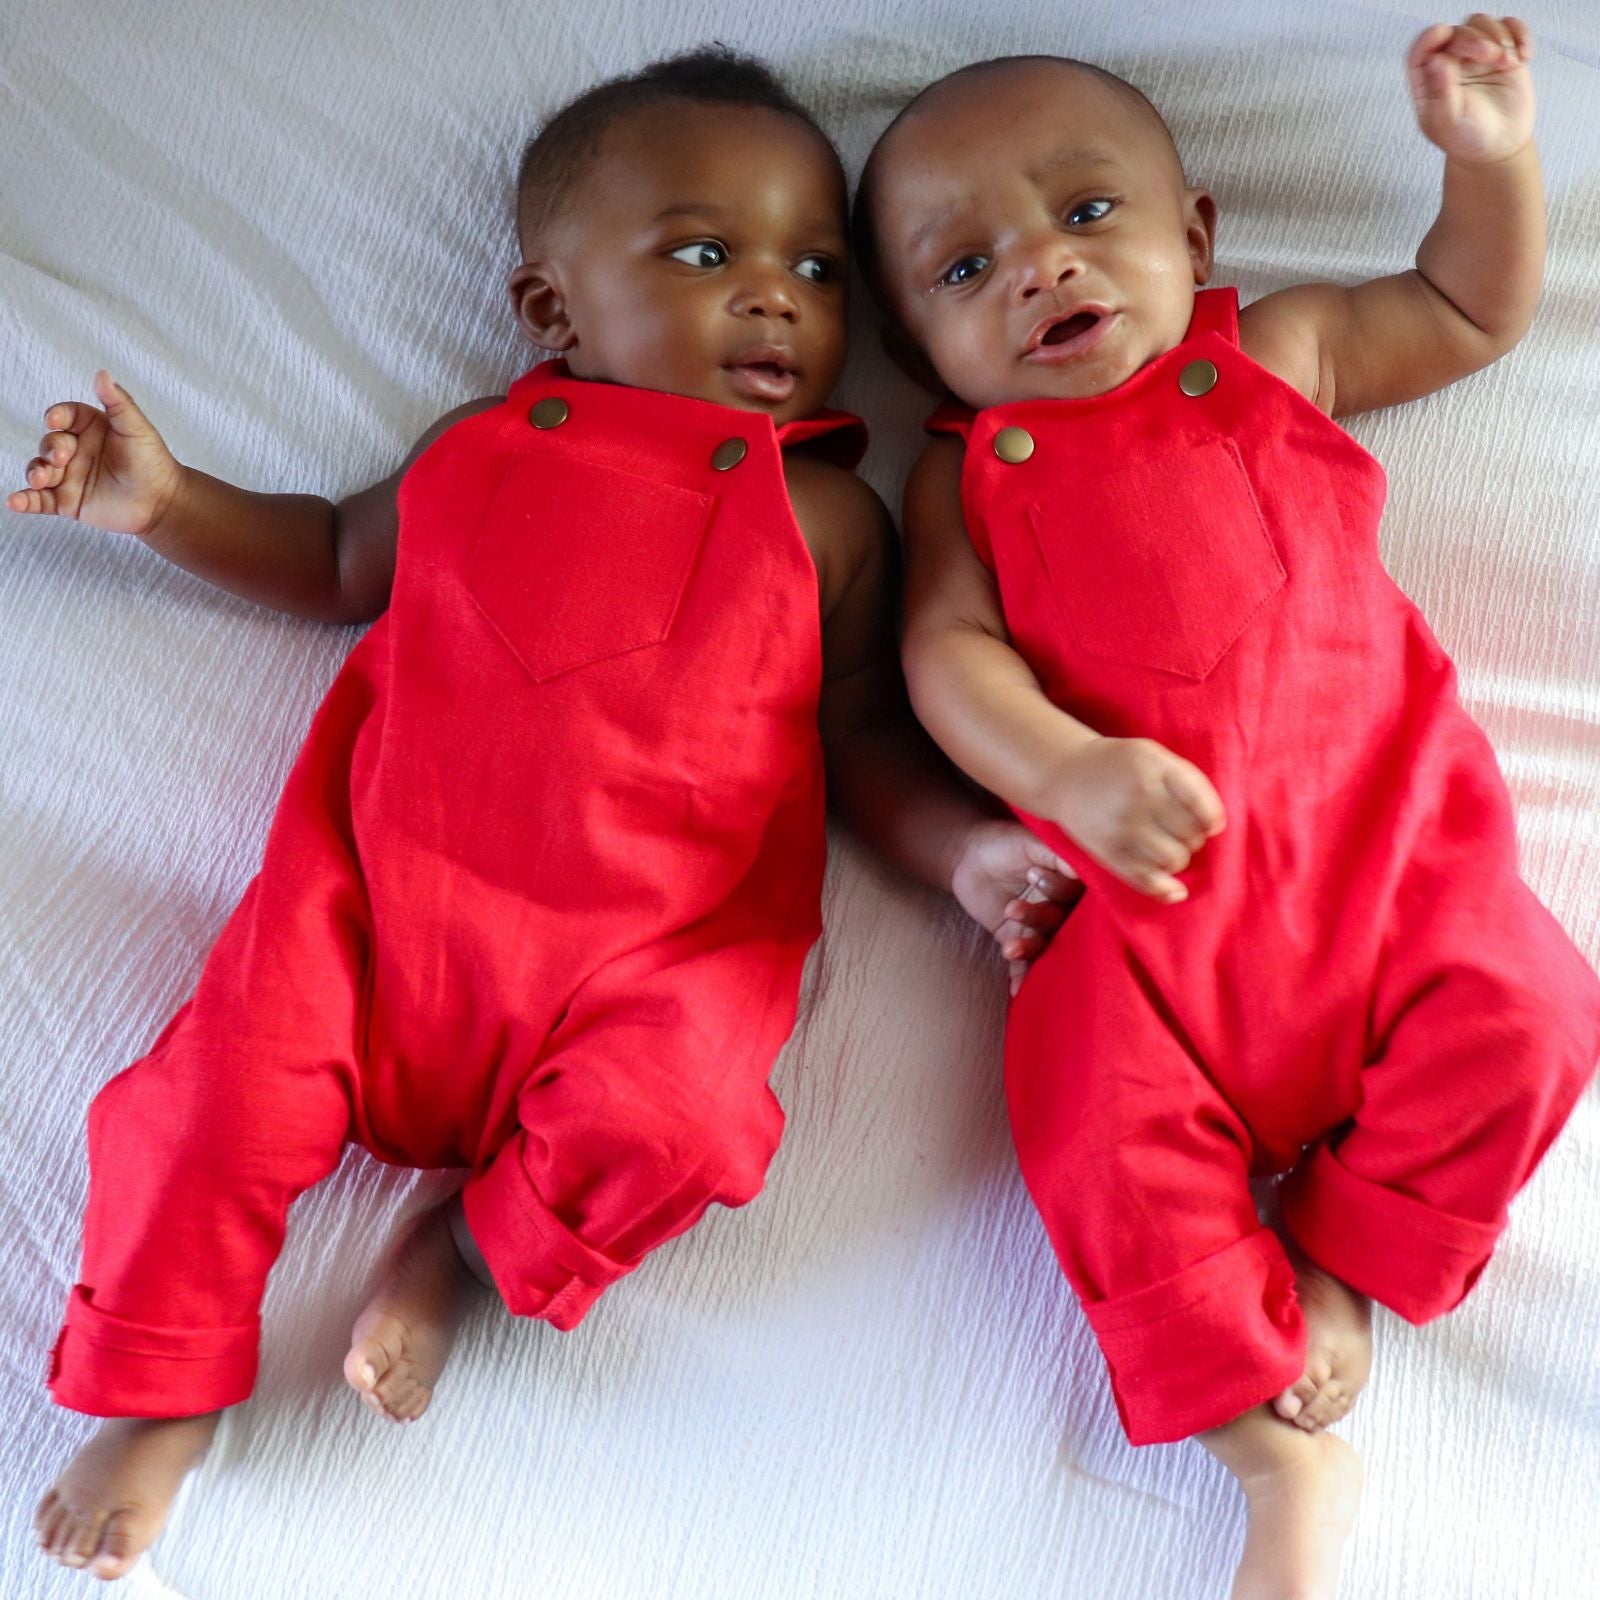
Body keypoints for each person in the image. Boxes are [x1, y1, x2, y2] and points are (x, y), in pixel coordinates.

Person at [13, 47, 1076, 1582]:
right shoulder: (475, 452)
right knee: (198, 1110)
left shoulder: (828, 514)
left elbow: (858, 736)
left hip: (649, 964)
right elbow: (328, 560)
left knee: (691, 1126)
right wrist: (172, 506)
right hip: (367, 915)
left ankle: (460, 1250)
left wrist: (969, 849)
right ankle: (156, 1389)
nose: (776, 295)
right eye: (707, 253)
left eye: (819, 267)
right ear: (550, 314)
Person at [851, 15, 1600, 1597]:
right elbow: (943, 653)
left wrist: (1491, 158)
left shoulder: (1277, 354)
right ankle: (1271, 1457)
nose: (1043, 268)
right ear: (921, 352)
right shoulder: (970, 475)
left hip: (1393, 878)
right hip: (1143, 934)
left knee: (1537, 1010)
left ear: (1197, 236)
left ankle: (1341, 1266)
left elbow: (1470, 305)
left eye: (1086, 213)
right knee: (1083, 1134)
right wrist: (1061, 771)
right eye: (966, 271)